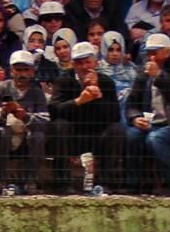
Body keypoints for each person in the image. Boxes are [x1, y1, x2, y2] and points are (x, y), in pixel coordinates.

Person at [124, 32, 170, 192]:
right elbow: (132, 101)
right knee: (131, 135)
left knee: (155, 139)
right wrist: (135, 117)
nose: (151, 56)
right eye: (149, 52)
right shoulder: (145, 70)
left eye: (155, 52)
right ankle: (134, 183)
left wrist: (159, 76)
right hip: (150, 121)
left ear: (167, 51)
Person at [49, 41, 124, 191]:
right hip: (73, 135)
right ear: (73, 64)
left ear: (95, 62)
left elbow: (115, 115)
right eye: (79, 63)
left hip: (97, 134)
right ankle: (62, 183)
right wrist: (78, 101)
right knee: (59, 126)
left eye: (88, 62)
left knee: (117, 129)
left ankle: (104, 183)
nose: (84, 67)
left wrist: (98, 96)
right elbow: (54, 110)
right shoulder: (64, 80)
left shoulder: (106, 82)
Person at [0, 49, 49, 191]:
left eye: (25, 70)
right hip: (6, 132)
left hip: (28, 133)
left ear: (32, 72)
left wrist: (24, 115)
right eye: (18, 69)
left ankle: (31, 181)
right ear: (11, 71)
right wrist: (5, 111)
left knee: (38, 136)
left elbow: (45, 120)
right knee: (3, 132)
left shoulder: (37, 91)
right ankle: (0, 181)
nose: (22, 74)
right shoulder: (1, 88)